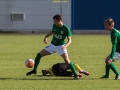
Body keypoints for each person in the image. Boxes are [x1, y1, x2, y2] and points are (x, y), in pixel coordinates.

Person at [26, 14, 79, 79]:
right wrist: (45, 37)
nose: (54, 22)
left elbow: (70, 40)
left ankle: (76, 75)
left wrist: (66, 45)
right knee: (39, 55)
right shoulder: (54, 26)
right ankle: (34, 70)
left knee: (67, 61)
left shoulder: (65, 28)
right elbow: (52, 31)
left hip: (61, 47)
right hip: (52, 46)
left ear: (59, 20)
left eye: (55, 21)